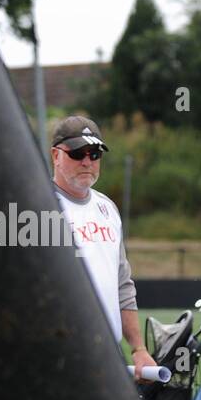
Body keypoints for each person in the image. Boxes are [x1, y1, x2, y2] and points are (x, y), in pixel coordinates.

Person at [49, 115, 157, 381]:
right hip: (58, 354)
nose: (87, 161)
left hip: (108, 353)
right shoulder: (38, 208)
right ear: (56, 156)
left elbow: (122, 284)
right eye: (77, 153)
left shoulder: (107, 208)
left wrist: (139, 349)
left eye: (94, 154)